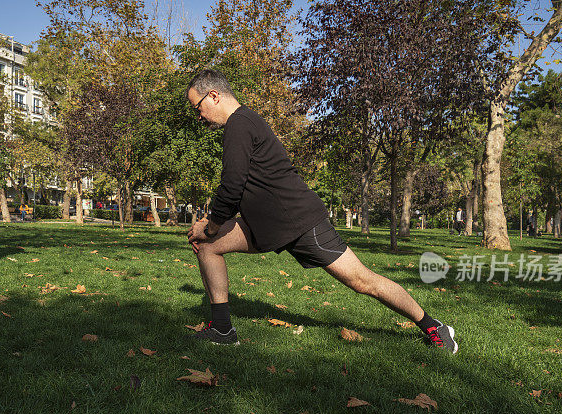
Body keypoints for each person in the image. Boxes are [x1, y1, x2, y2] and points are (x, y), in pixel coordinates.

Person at [185, 70, 458, 353]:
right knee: (207, 246)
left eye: (198, 107)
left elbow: (232, 183)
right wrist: (210, 229)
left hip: (298, 222)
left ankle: (432, 325)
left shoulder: (239, 124)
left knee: (362, 281)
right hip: (266, 223)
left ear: (214, 96)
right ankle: (222, 329)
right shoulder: (243, 122)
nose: (199, 116)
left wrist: (213, 225)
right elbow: (241, 186)